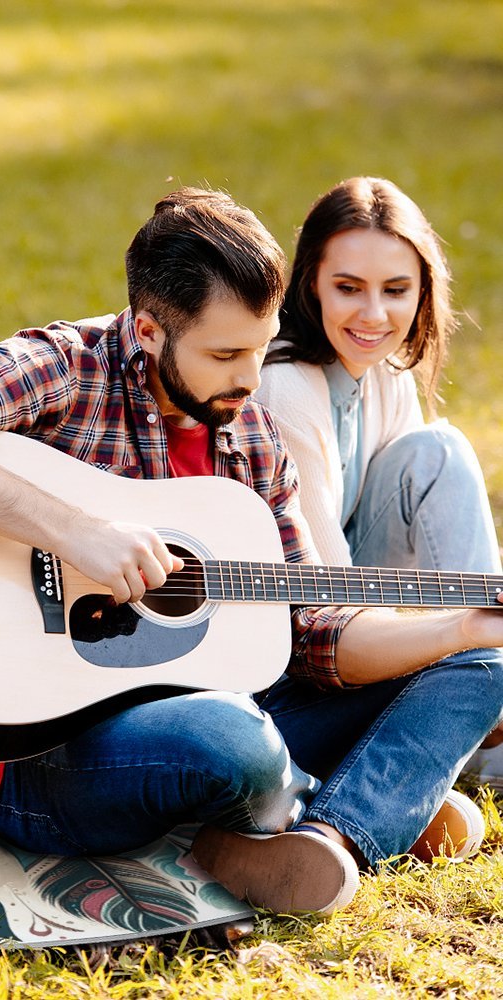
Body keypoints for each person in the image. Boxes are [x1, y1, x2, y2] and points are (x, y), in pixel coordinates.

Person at [0, 187, 503, 916]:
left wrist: (459, 628)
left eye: (260, 346)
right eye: (225, 354)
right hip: (41, 753)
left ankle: (332, 837)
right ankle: (359, 796)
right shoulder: (67, 367)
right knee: (232, 741)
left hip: (232, 708)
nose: (251, 380)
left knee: (483, 665)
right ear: (149, 330)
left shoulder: (251, 436)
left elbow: (313, 629)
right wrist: (72, 530)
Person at [256, 176, 503, 787]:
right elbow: (326, 602)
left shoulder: (384, 369)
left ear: (423, 291)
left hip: (359, 612)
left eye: (396, 290)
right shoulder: (286, 386)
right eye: (348, 288)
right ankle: (481, 728)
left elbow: (423, 549)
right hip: (295, 647)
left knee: (434, 451)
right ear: (310, 281)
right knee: (440, 450)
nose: (374, 315)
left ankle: (482, 694)